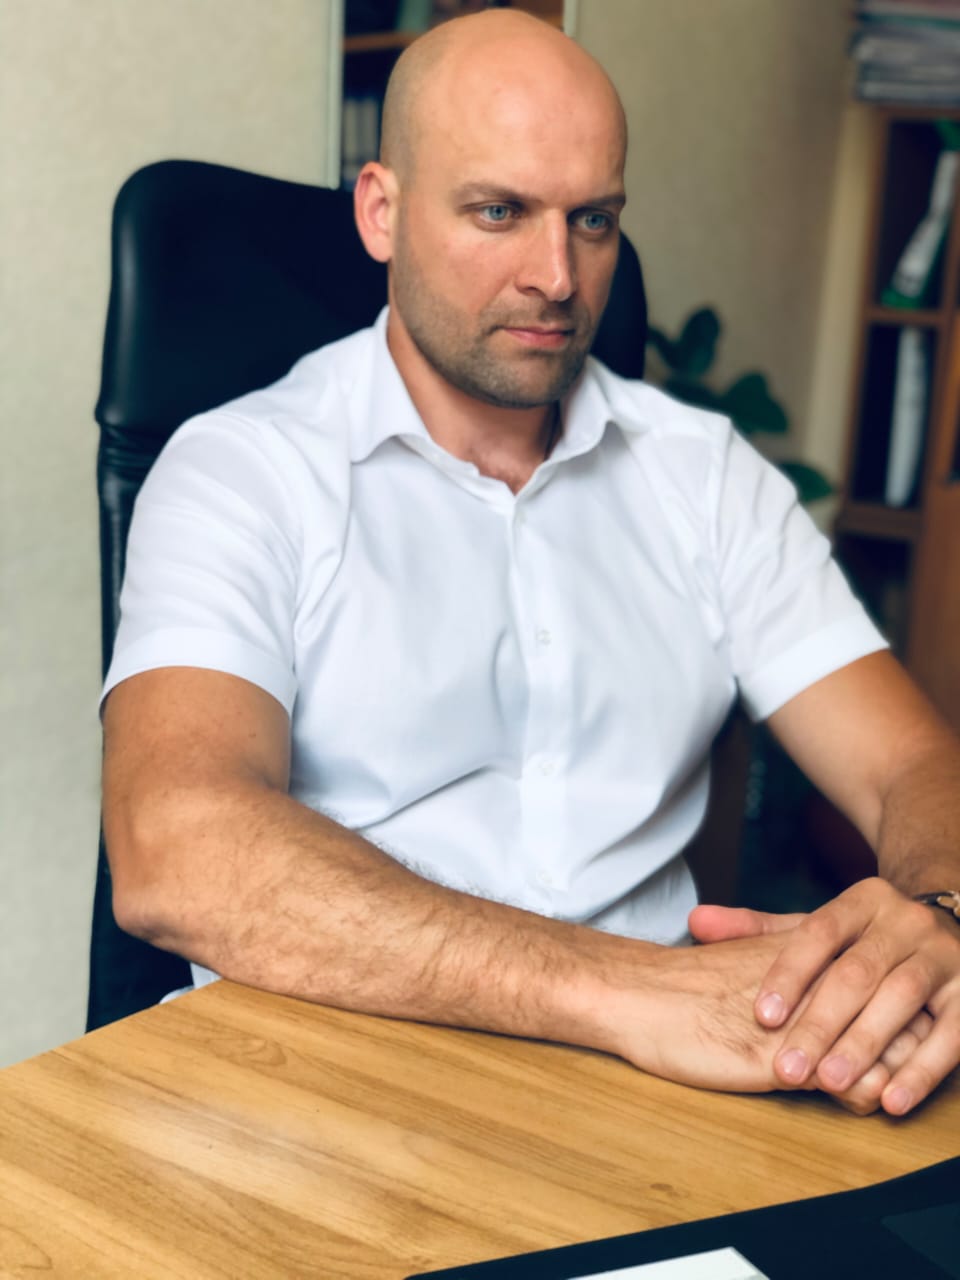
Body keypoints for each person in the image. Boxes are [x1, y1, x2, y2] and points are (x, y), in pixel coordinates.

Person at [101, 9, 960, 1117]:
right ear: (382, 211)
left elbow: (908, 763)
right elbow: (174, 844)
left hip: (655, 1104)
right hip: (325, 1094)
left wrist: (938, 917)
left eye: (592, 220)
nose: (557, 277)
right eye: (499, 212)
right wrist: (629, 993)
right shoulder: (240, 470)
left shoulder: (702, 473)